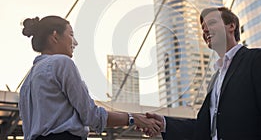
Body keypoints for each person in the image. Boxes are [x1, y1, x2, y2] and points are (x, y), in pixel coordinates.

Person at [146, 7, 261, 140]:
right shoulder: (216, 79)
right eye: (203, 28)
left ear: (231, 26)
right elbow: (204, 128)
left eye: (212, 23)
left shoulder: (258, 59)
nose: (205, 30)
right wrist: (164, 123)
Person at [19, 15, 162, 140]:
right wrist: (133, 119)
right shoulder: (62, 63)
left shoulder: (28, 81)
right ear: (55, 36)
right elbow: (91, 115)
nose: (75, 42)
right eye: (71, 35)